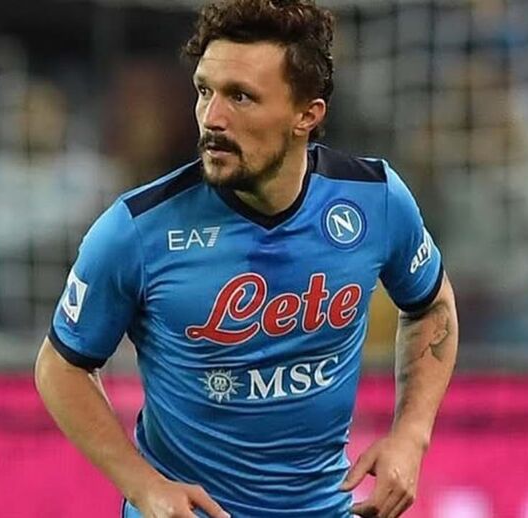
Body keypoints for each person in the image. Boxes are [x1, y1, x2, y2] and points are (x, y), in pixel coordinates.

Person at [34, 1, 458, 516]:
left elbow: (431, 305)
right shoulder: (136, 230)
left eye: (241, 96)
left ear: (307, 115)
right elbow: (61, 366)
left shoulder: (376, 200)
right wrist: (143, 486)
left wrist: (411, 436)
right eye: (204, 91)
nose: (212, 118)